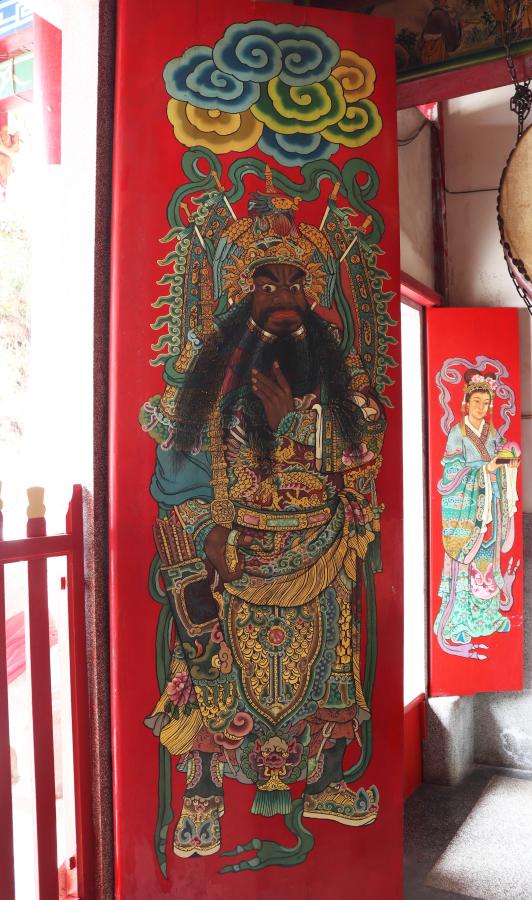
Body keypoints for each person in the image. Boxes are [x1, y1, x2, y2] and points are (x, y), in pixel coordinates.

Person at [142, 180, 385, 858]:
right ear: (241, 292)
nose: (282, 294)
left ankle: (327, 780)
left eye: (295, 282)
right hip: (239, 544)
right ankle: (203, 786)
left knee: (331, 654)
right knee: (207, 647)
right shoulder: (214, 368)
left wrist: (294, 425)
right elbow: (182, 442)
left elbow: (366, 443)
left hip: (318, 542)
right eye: (266, 282)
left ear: (311, 293)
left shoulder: (338, 373)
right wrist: (214, 526)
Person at [434, 369, 520, 659]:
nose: (481, 408)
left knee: (488, 560)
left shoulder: (491, 433)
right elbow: (451, 473)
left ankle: (489, 617)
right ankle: (460, 622)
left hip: (490, 503)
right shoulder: (457, 433)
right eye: (476, 402)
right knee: (466, 564)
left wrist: (507, 462)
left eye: (486, 403)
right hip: (468, 508)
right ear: (466, 403)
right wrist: (485, 469)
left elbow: (499, 461)